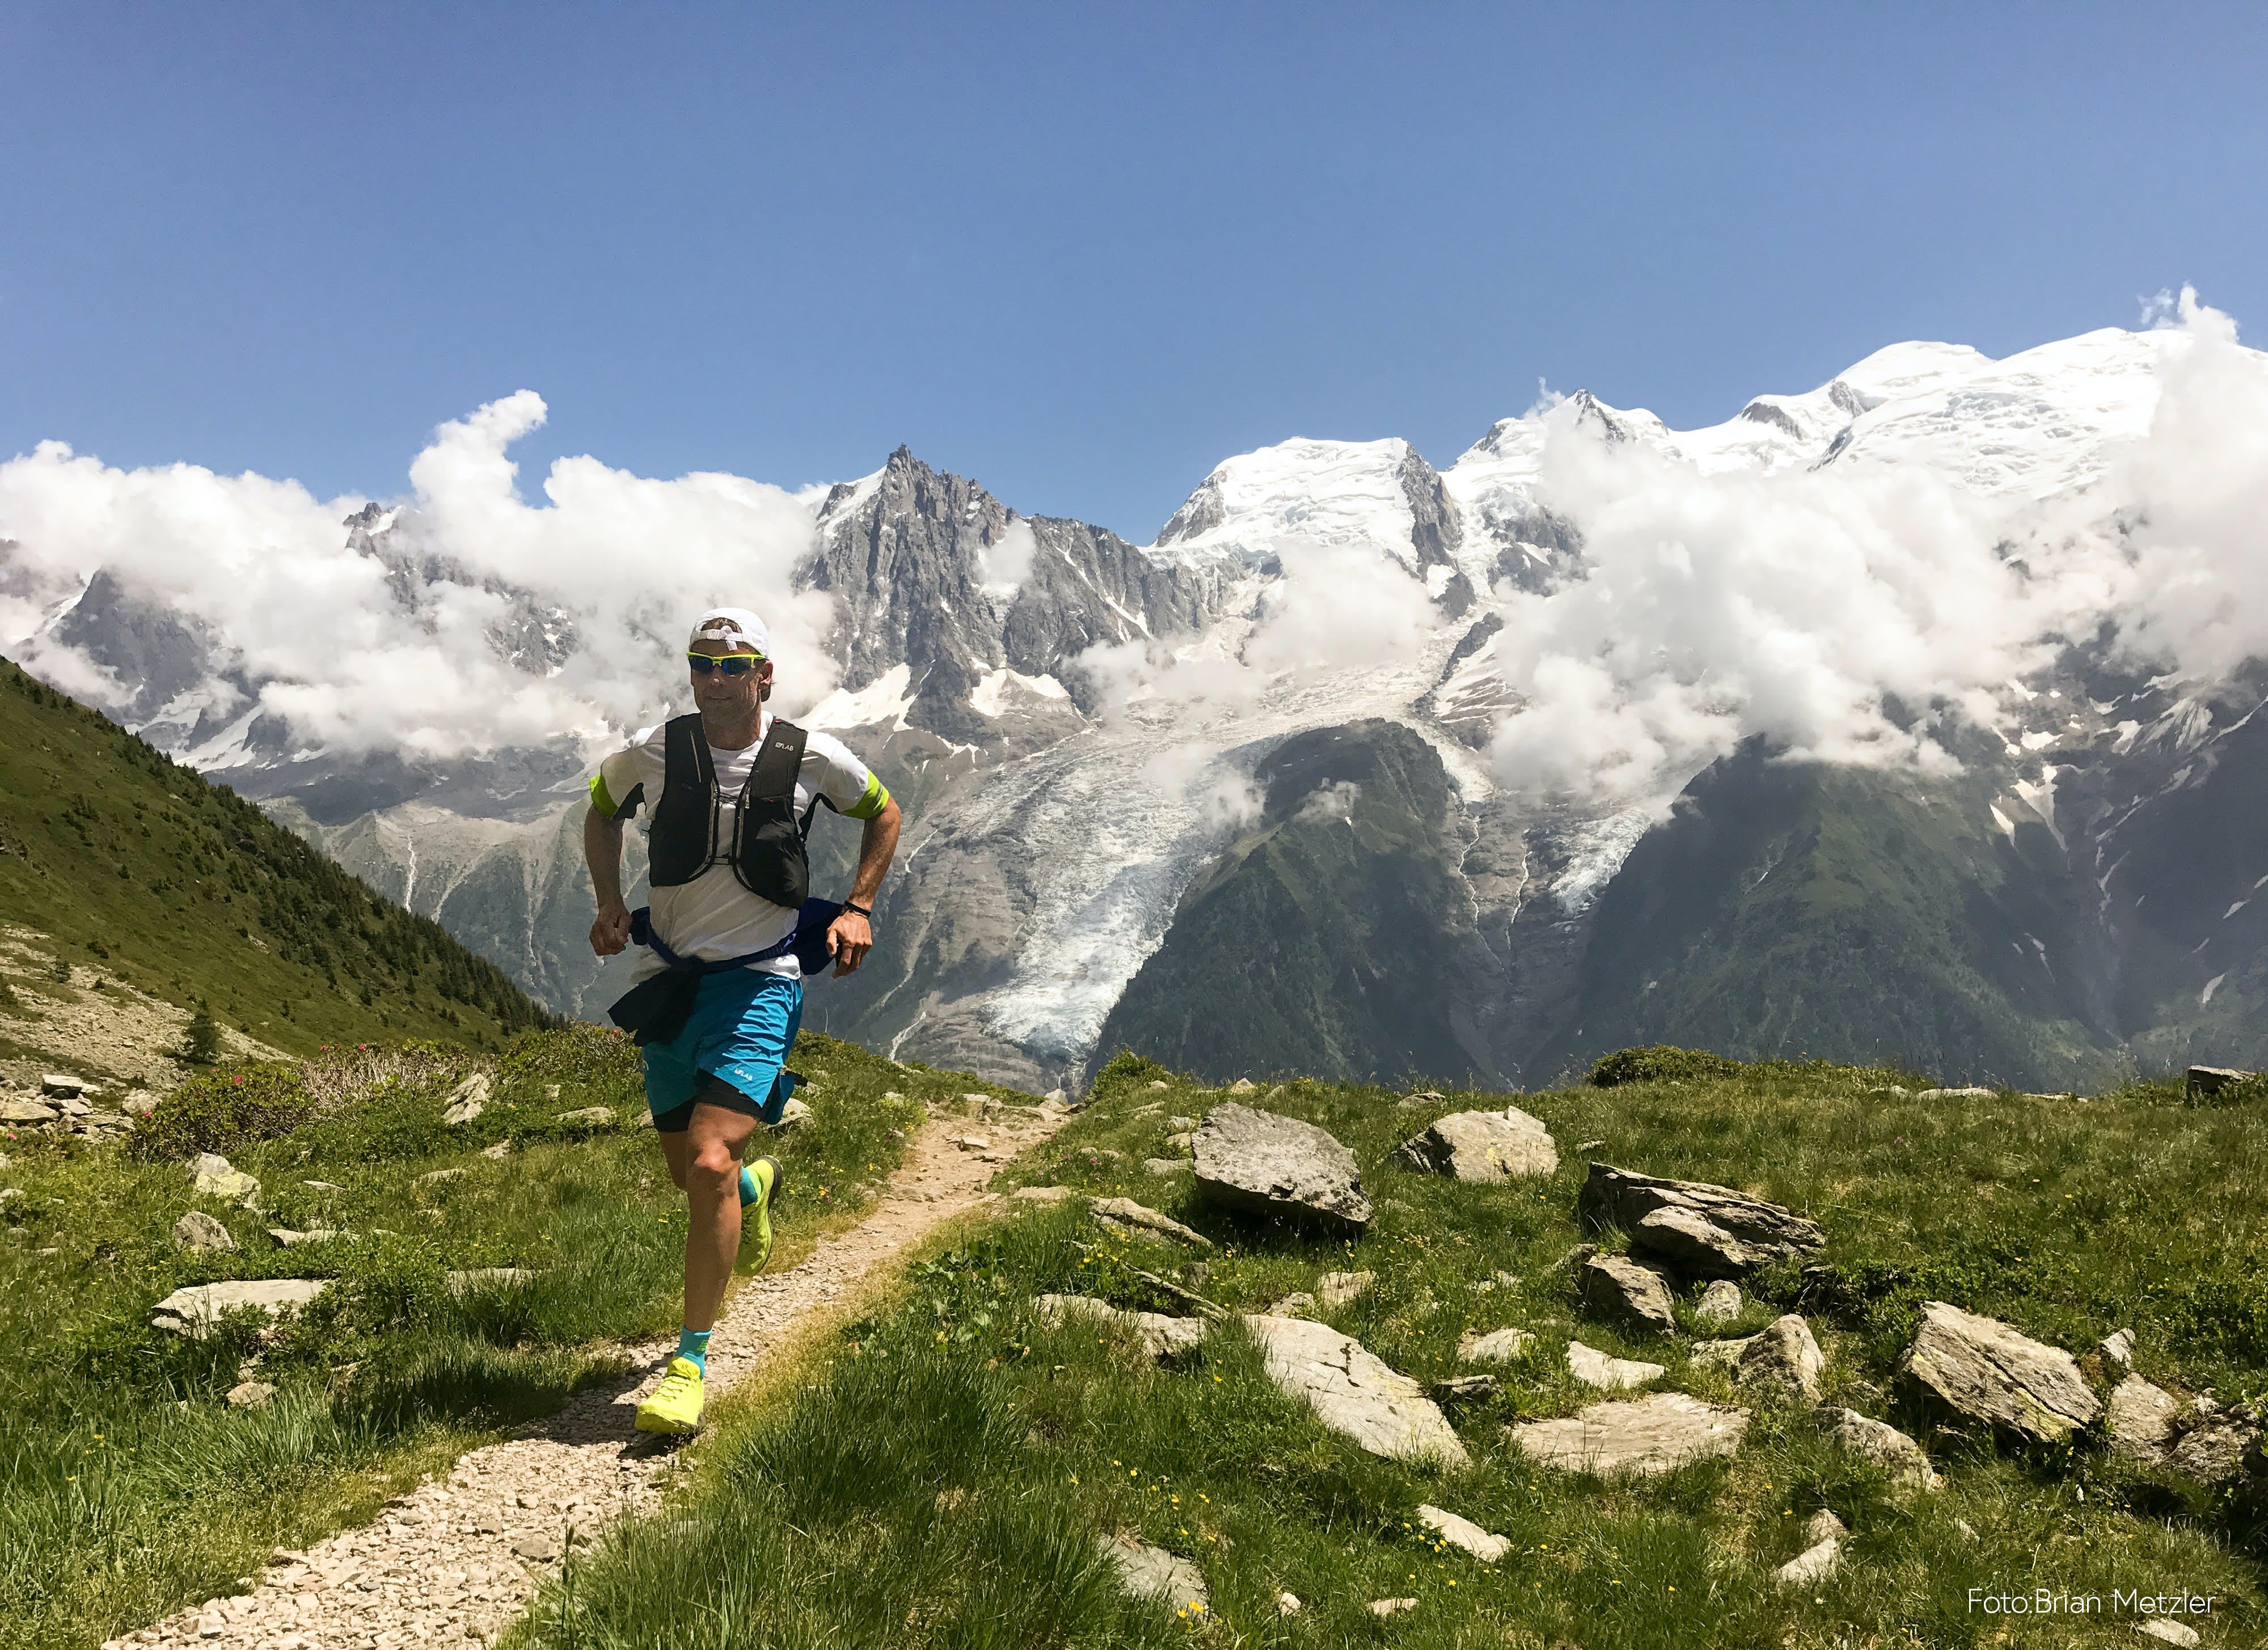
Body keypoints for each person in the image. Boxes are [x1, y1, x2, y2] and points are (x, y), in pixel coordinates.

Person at [584, 607, 901, 1433]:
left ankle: (688, 1364)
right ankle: (756, 1190)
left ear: (766, 675)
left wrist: (859, 906)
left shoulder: (810, 756)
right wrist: (611, 901)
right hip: (670, 982)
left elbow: (884, 811)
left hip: (761, 982)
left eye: (735, 665)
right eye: (703, 664)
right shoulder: (656, 751)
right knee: (688, 1177)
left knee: (712, 1157)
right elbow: (600, 806)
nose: (717, 678)